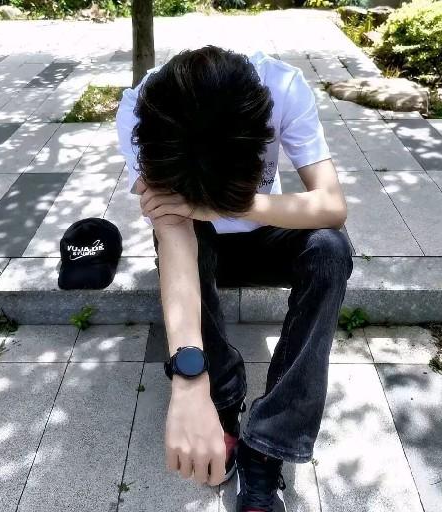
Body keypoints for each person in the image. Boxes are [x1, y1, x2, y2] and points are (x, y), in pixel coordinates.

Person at [116, 45, 353, 512]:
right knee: (178, 234)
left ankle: (266, 443)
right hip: (198, 242)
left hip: (265, 230)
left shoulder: (283, 88)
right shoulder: (143, 113)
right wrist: (190, 382)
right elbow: (175, 233)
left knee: (330, 248)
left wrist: (226, 205)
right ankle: (223, 399)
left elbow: (331, 206)